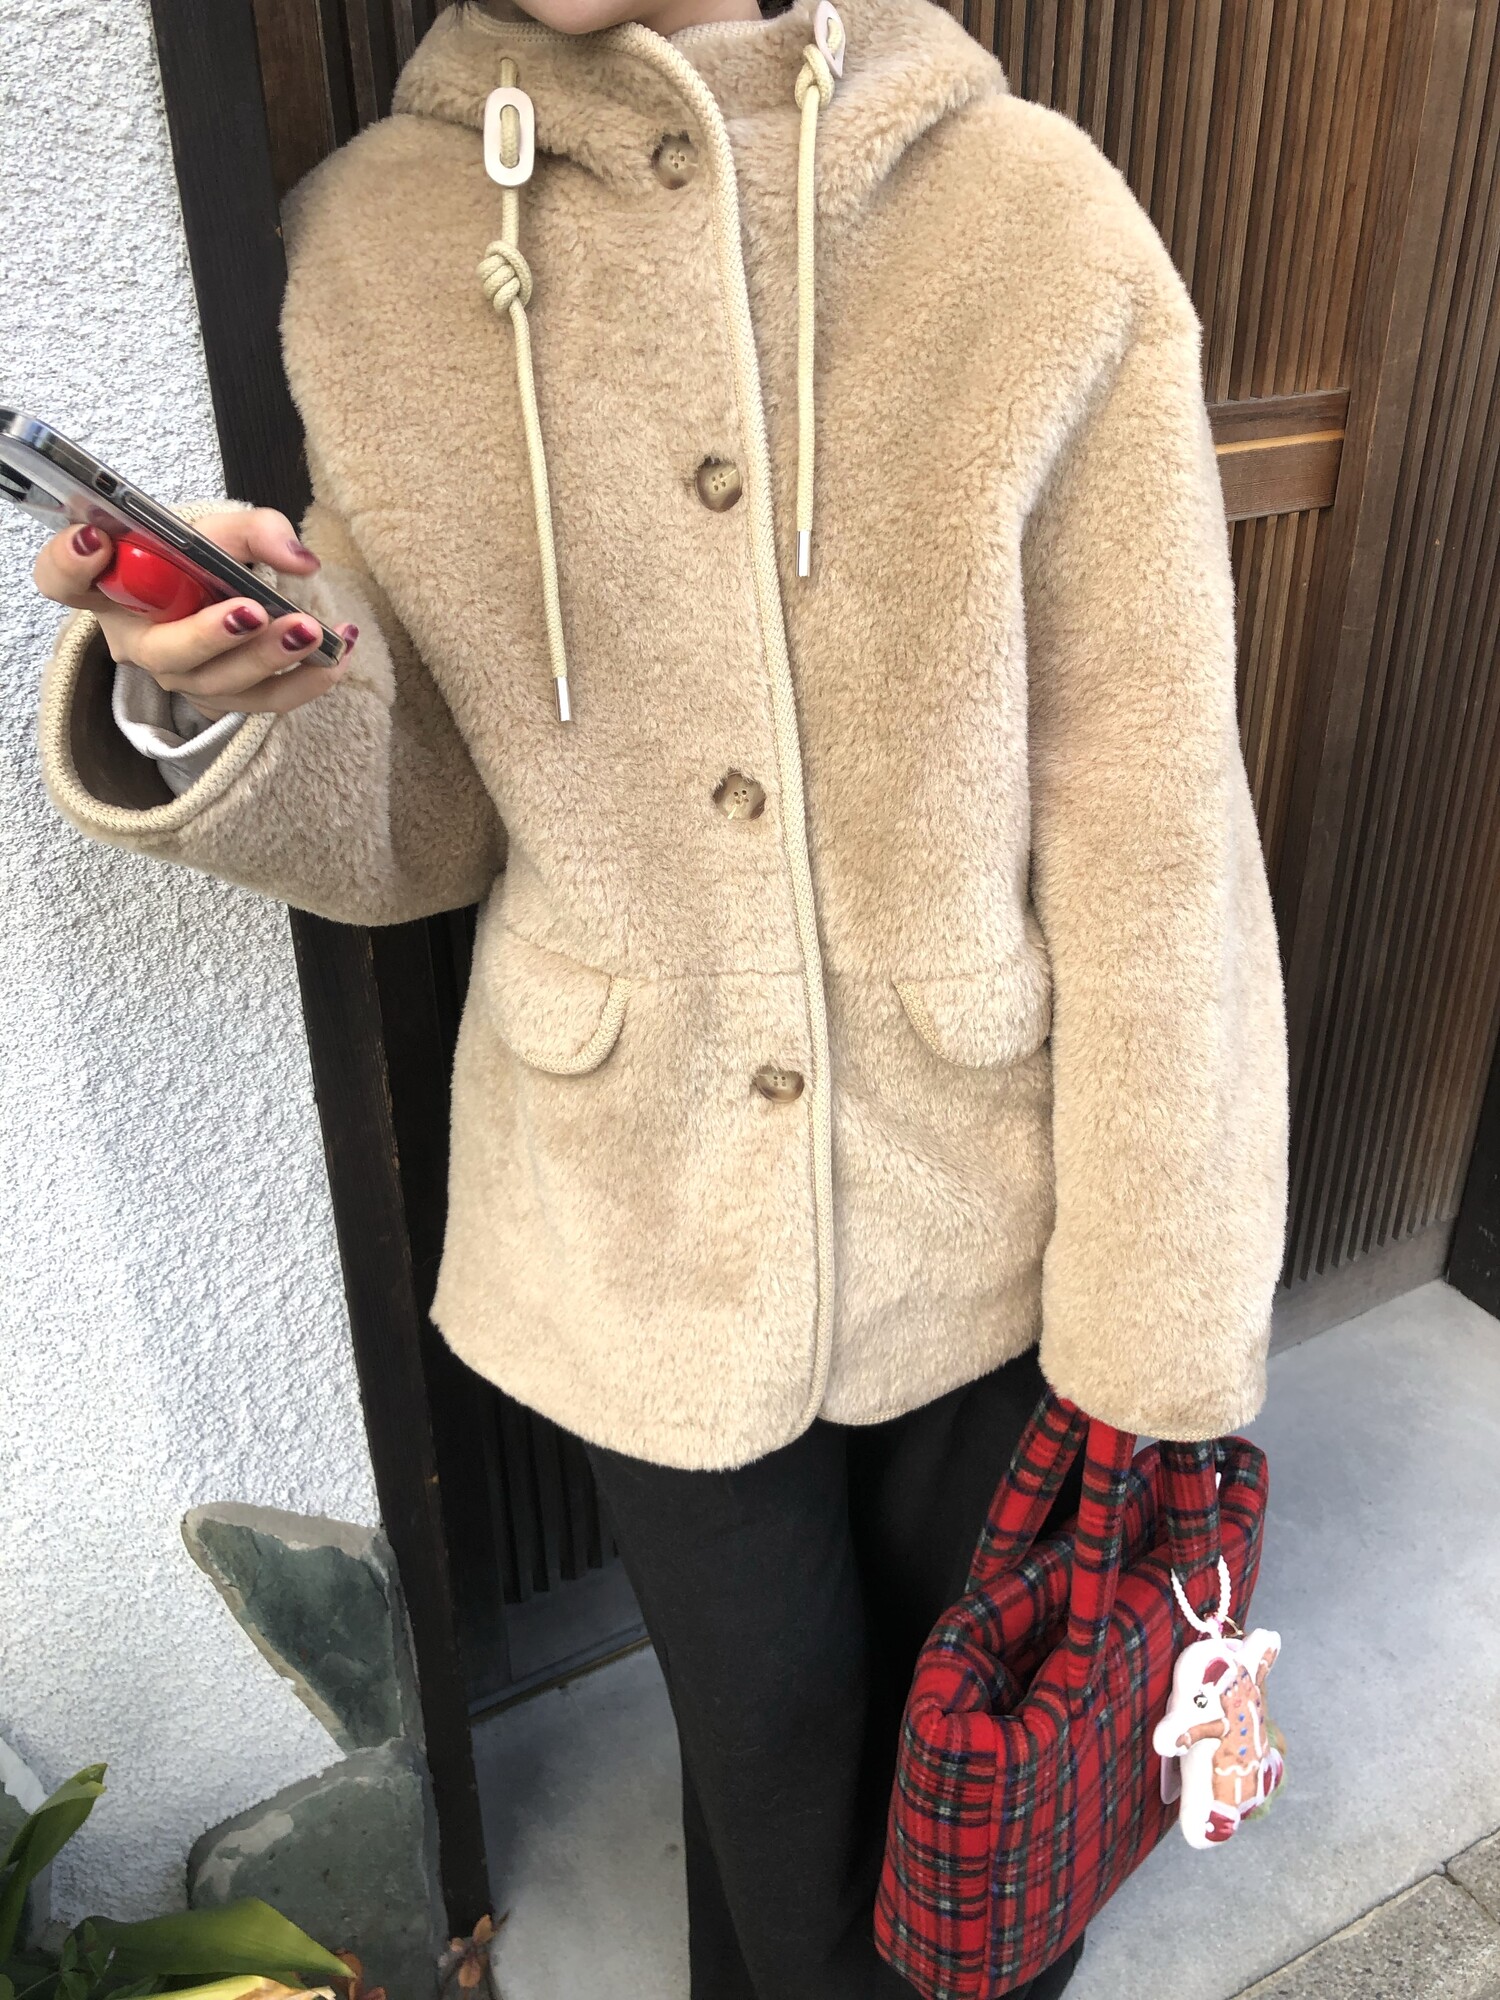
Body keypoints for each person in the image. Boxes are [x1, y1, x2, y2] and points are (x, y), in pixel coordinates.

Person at [29, 0, 1290, 1988]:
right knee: (772, 1785)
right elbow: (431, 823)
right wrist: (240, 701)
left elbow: (1154, 811)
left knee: (988, 1805)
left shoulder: (1027, 216)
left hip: (999, 1203)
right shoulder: (375, 245)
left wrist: (1164, 1322)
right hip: (631, 1212)